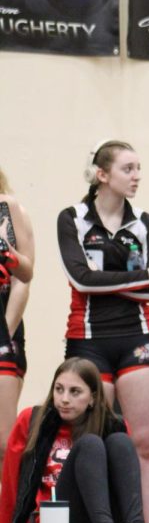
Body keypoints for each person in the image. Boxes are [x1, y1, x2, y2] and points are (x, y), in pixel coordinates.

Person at [57, 140, 149, 523]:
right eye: (128, 168)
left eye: (139, 168)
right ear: (102, 175)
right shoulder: (72, 218)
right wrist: (144, 277)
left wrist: (115, 282)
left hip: (137, 340)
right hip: (87, 341)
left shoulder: (147, 223)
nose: (137, 175)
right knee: (93, 440)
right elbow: (81, 280)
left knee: (146, 441)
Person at [0, 358, 149, 523]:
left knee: (120, 441)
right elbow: (11, 490)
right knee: (90, 445)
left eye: (75, 392)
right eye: (59, 389)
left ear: (92, 398)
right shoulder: (31, 420)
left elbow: (127, 492)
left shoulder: (113, 426)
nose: (64, 399)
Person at [0, 168, 34, 467]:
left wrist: (6, 331)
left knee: (2, 441)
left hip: (4, 325)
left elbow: (24, 277)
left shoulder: (9, 208)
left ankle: (11, 513)